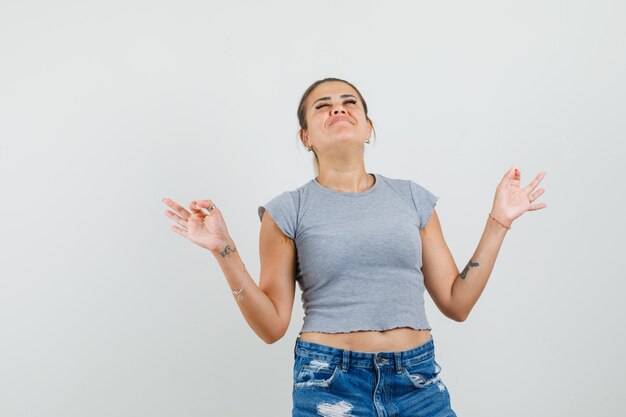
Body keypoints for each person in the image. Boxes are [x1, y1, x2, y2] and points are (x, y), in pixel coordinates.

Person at [162, 77, 547, 417]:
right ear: (306, 137)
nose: (337, 109)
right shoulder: (286, 210)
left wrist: (499, 222)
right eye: (322, 106)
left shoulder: (412, 198)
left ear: (368, 127)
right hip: (330, 383)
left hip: (418, 381)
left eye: (349, 103)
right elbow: (272, 326)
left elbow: (456, 302)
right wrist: (223, 248)